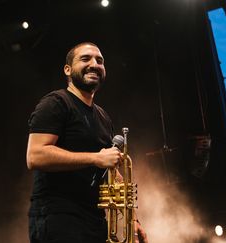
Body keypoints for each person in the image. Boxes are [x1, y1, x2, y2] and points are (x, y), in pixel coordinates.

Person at [27, 42, 147, 243]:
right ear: (67, 69)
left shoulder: (102, 116)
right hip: (59, 217)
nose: (94, 64)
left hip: (94, 220)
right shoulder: (56, 103)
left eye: (99, 61)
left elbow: (110, 172)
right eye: (85, 59)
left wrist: (133, 220)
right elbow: (35, 155)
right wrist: (96, 158)